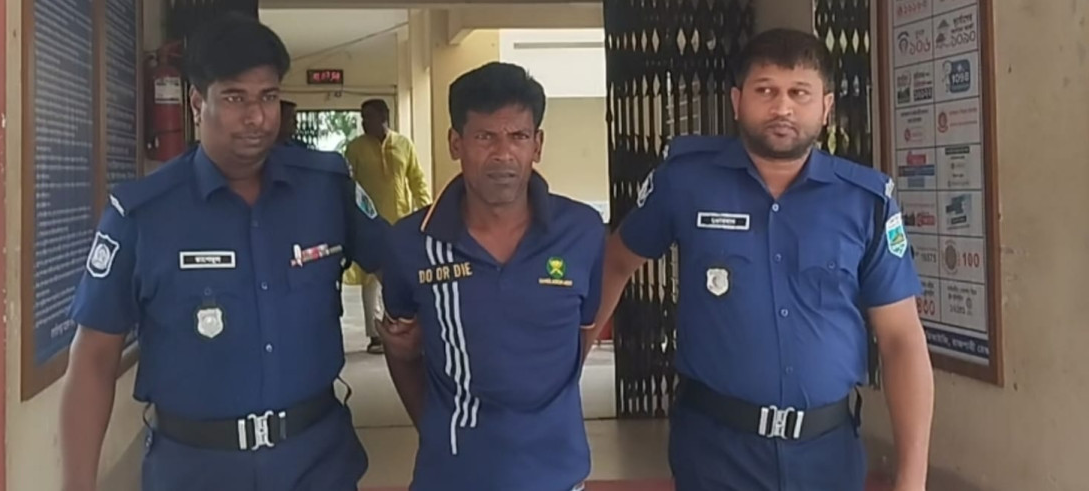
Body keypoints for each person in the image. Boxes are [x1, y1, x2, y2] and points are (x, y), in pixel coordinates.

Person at [588, 28, 933, 491]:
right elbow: (615, 263)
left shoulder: (865, 202)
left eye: (799, 93)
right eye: (765, 91)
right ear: (737, 101)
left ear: (826, 107)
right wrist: (568, 369)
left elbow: (901, 340)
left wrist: (912, 481)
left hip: (827, 454)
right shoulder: (686, 181)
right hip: (717, 451)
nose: (782, 108)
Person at [59, 12, 391, 491]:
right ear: (197, 102)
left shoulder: (325, 190)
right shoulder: (143, 216)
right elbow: (93, 358)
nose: (256, 117)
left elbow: (403, 270)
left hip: (316, 464)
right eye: (235, 98)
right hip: (196, 470)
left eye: (268, 97)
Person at [377, 61, 604, 491]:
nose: (503, 154)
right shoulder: (410, 242)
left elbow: (581, 334)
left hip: (557, 478)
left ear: (537, 144)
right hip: (451, 480)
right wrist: (441, 433)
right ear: (455, 143)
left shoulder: (582, 231)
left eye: (518, 136)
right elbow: (401, 349)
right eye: (485, 137)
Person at [343, 97, 431, 354]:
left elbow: (416, 180)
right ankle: (375, 335)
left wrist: (427, 211)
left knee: (399, 277)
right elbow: (349, 187)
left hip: (400, 221)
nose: (363, 122)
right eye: (362, 117)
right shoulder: (355, 148)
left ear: (384, 117)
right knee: (371, 280)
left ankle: (397, 324)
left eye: (368, 117)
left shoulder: (404, 145)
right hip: (370, 225)